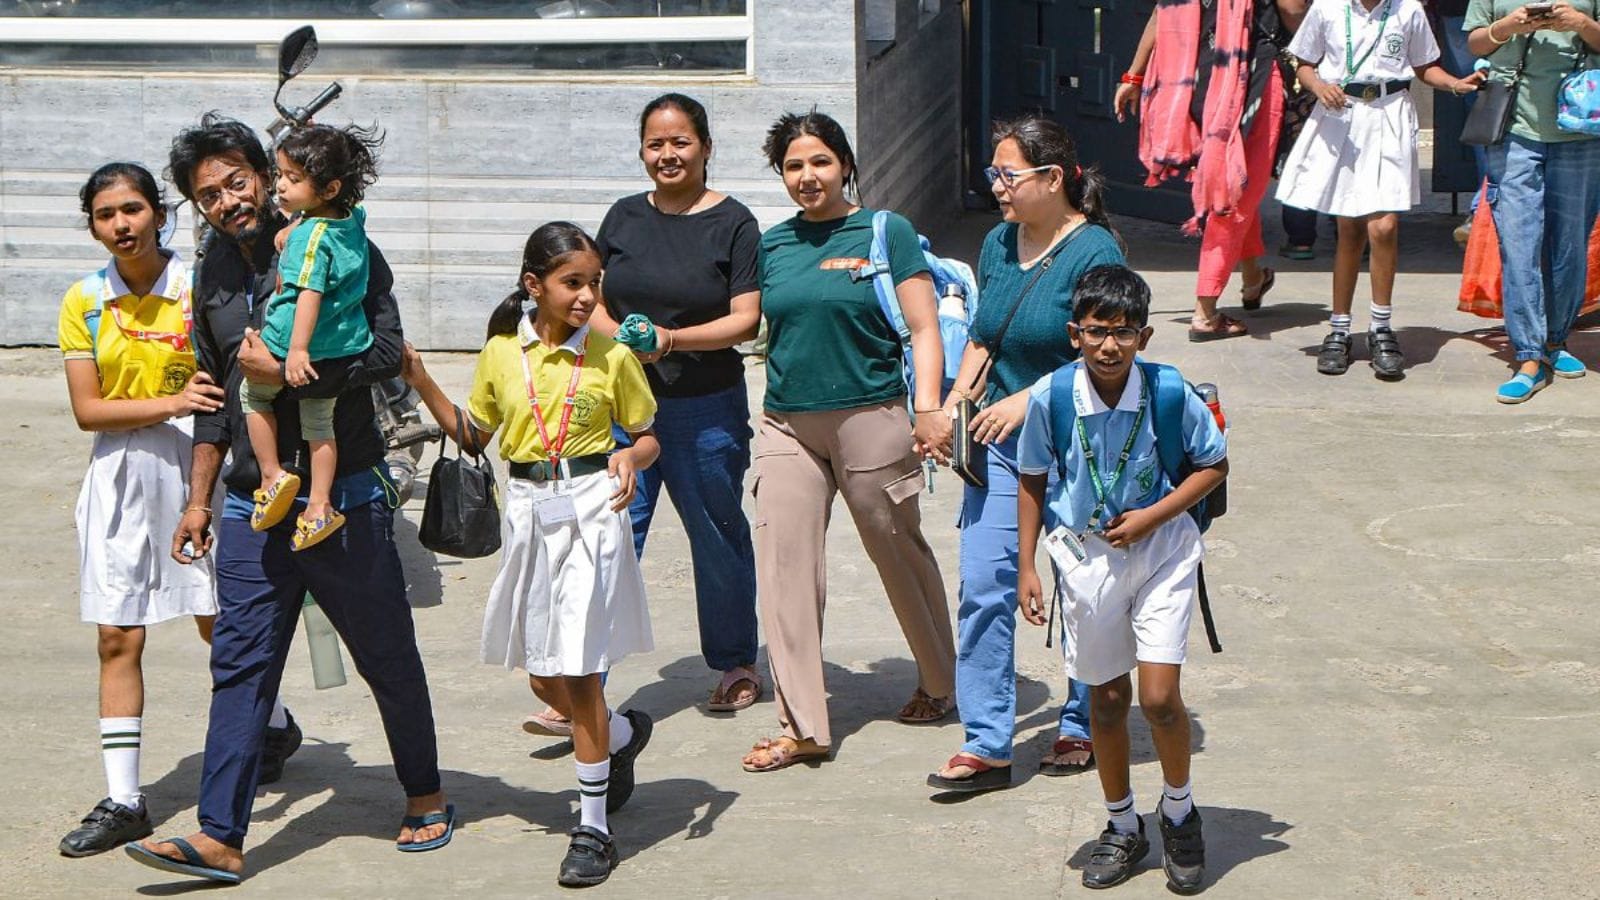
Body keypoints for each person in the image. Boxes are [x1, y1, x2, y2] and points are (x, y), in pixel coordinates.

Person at [125, 114, 449, 885]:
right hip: (249, 501)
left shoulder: (338, 241)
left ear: (267, 177)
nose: (227, 201)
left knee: (386, 656)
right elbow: (211, 396)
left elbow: (385, 350)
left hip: (344, 501)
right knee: (240, 665)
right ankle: (219, 837)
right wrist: (198, 500)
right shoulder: (212, 273)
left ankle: (426, 793)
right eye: (208, 194)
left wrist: (290, 367)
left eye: (237, 181)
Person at [400, 222, 658, 888]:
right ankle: (621, 736)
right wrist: (423, 380)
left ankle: (593, 828)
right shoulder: (499, 354)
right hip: (527, 512)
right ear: (533, 285)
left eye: (594, 282)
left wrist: (631, 453)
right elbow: (474, 433)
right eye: (574, 282)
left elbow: (649, 435)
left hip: (593, 510)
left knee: (579, 668)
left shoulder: (612, 356)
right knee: (546, 678)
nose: (586, 294)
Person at [740, 110, 957, 773]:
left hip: (874, 418)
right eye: (794, 166)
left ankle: (940, 679)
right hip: (786, 423)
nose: (808, 176)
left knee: (897, 549)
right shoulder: (772, 245)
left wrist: (927, 409)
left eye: (820, 162)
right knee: (783, 568)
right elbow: (750, 322)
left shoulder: (885, 232)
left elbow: (922, 328)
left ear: (845, 165)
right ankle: (804, 724)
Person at [926, 116, 1124, 795]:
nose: (997, 187)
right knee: (986, 583)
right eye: (993, 173)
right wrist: (954, 404)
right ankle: (987, 742)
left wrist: (1032, 397)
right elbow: (985, 337)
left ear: (1054, 179)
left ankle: (1080, 721)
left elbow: (1106, 354)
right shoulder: (996, 243)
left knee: (1079, 586)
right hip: (1001, 446)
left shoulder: (1096, 252)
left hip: (1076, 444)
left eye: (1008, 175)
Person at [1015, 265, 1228, 893]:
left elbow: (1212, 463)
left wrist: (1154, 517)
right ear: (1074, 333)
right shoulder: (1052, 396)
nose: (1110, 346)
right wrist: (1028, 564)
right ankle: (1121, 824)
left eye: (1126, 332)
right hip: (1087, 559)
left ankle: (1180, 813)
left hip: (1163, 549)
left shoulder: (1168, 391)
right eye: (1097, 331)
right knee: (1105, 701)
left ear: (1144, 336)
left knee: (1160, 698)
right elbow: (1032, 478)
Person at [56, 163, 228, 857]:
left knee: (221, 622)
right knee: (117, 635)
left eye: (132, 209)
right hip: (120, 477)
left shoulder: (198, 289)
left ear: (159, 213)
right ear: (93, 225)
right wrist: (173, 402)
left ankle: (272, 723)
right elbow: (88, 411)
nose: (121, 225)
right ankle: (125, 799)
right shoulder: (84, 300)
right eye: (105, 215)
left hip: (200, 467)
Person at [589, 92, 763, 714]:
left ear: (707, 148)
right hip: (622, 410)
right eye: (656, 144)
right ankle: (584, 684)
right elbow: (593, 299)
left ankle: (735, 661)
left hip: (705, 408)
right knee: (608, 537)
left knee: (716, 535)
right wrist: (622, 338)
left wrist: (670, 340)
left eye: (680, 142)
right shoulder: (623, 217)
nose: (668, 154)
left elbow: (746, 319)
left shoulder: (734, 222)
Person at [1276, 0, 1481, 379]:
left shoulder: (1409, 11)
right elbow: (1304, 62)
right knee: (1349, 229)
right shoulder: (1328, 8)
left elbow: (1424, 67)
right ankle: (1339, 328)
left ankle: (1380, 326)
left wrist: (1454, 83)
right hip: (1343, 119)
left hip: (1391, 113)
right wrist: (1319, 85)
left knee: (1383, 226)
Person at [1116, 0, 1308, 340]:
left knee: (1237, 184)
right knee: (1233, 192)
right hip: (1252, 79)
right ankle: (1205, 312)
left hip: (1201, 80)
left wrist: (1134, 73)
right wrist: (1315, 56)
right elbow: (1292, 9)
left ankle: (1253, 280)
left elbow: (1163, 13)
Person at [243, 124, 381, 551]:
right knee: (320, 425)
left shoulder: (309, 238)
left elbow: (309, 293)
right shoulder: (349, 217)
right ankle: (319, 507)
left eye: (293, 179)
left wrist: (295, 351)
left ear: (329, 186)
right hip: (341, 346)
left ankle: (272, 475)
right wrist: (299, 219)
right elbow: (339, 217)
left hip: (295, 342)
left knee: (254, 395)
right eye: (280, 175)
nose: (280, 186)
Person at [1465, 0, 1600, 402]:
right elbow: (1475, 44)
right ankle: (1528, 354)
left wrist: (1581, 23)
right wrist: (1508, 26)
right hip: (1513, 130)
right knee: (1519, 244)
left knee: (1570, 245)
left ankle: (1555, 341)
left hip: (1579, 129)